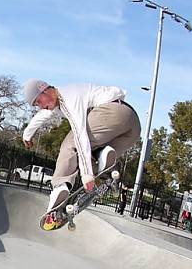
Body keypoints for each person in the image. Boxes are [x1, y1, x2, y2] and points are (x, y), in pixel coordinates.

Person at [21, 79, 141, 228]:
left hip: (111, 113)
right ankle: (102, 156)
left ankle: (60, 185)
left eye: (38, 102)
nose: (40, 107)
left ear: (45, 90)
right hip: (132, 127)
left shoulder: (68, 97)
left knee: (70, 146)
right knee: (93, 151)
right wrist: (27, 133)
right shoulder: (56, 101)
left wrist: (86, 174)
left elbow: (80, 134)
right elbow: (42, 116)